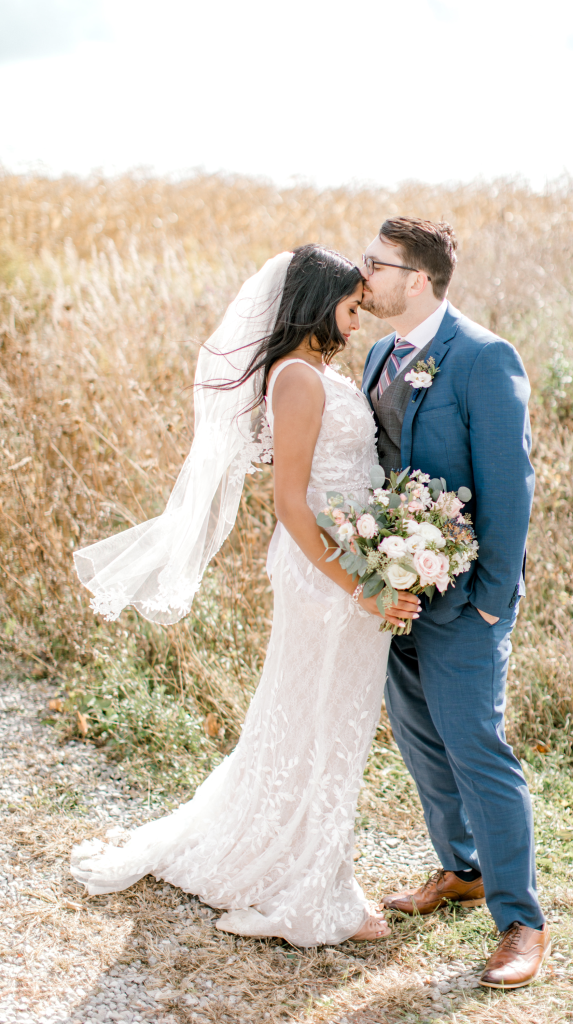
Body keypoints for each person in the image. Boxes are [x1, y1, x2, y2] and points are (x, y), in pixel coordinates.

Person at [70, 245, 419, 947]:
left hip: (351, 566)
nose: (357, 324)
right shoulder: (296, 379)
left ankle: (289, 858)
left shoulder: (314, 372)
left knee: (324, 720)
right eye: (350, 309)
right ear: (317, 304)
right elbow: (291, 502)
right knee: (323, 722)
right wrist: (362, 588)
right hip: (329, 577)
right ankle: (313, 890)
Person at [360, 217, 549, 988]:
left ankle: (521, 922)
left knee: (476, 750)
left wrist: (490, 603)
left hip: (466, 600)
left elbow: (510, 486)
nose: (363, 274)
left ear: (416, 279)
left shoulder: (482, 356)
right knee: (420, 744)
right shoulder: (378, 354)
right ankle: (461, 869)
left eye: (375, 263)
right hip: (396, 596)